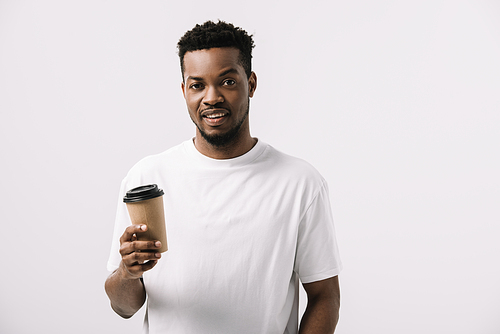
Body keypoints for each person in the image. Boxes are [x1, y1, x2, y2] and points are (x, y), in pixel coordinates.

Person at [105, 20, 342, 334]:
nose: (211, 97)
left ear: (251, 84)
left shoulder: (300, 183)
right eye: (197, 85)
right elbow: (124, 308)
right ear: (184, 90)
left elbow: (325, 296)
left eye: (227, 82)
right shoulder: (146, 178)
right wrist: (128, 272)